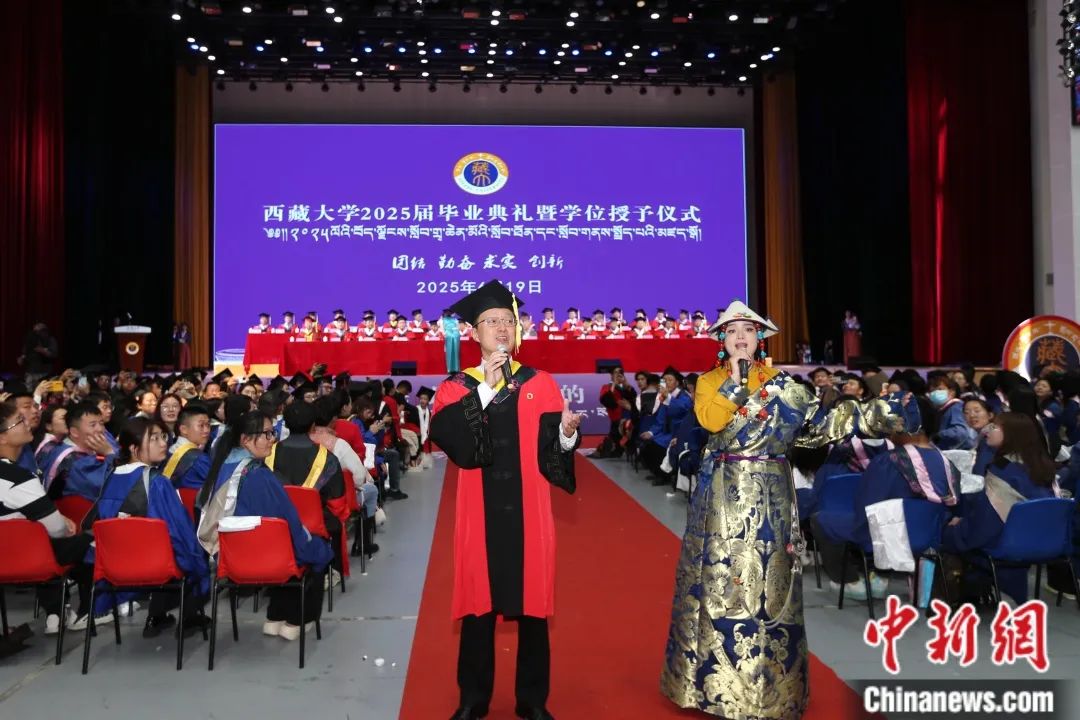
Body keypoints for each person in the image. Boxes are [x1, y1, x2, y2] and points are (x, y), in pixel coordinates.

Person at [660, 300, 910, 719]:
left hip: (773, 498)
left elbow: (817, 430)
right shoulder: (708, 382)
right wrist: (735, 383)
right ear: (721, 340)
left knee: (772, 587)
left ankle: (771, 686)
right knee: (722, 584)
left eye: (748, 331)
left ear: (760, 338)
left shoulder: (784, 386)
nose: (741, 337)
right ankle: (711, 687)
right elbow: (711, 422)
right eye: (732, 331)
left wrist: (879, 414)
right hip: (722, 498)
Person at [430, 280, 582, 720]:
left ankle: (532, 701)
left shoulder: (541, 383)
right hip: (478, 516)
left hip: (530, 514)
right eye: (491, 321)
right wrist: (486, 388)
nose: (501, 328)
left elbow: (552, 454)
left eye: (508, 321)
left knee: (533, 609)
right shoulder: (457, 387)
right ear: (474, 333)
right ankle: (472, 700)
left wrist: (566, 435)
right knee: (478, 608)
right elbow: (449, 438)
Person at [198, 410, 333, 641]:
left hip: (233, 563)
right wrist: (312, 544)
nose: (273, 439)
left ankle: (275, 617)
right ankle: (297, 620)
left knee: (274, 543)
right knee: (313, 548)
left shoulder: (222, 468)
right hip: (271, 561)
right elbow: (288, 525)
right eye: (267, 434)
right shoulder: (258, 475)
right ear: (245, 439)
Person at [85, 417, 210, 636]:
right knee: (191, 556)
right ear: (133, 448)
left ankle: (157, 615)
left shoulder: (110, 478)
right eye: (153, 439)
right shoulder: (156, 482)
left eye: (163, 437)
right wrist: (199, 558)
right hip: (156, 565)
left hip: (116, 565)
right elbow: (178, 532)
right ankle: (189, 617)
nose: (163, 443)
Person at [941, 412, 1059, 603]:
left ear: (1012, 434)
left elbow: (984, 526)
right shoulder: (1041, 468)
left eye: (995, 426)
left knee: (945, 533)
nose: (988, 429)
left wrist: (956, 527)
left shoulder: (1004, 470)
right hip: (1044, 542)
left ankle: (960, 599)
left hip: (1009, 544)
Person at [0, 399, 92, 633]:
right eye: (18, 421)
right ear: (2, 438)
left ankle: (57, 611)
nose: (27, 423)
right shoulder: (17, 477)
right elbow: (57, 529)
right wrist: (63, 523)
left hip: (6, 557)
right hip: (27, 558)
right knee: (91, 541)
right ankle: (89, 611)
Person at [40, 401, 115, 500]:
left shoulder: (64, 447)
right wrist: (110, 454)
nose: (100, 429)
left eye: (101, 423)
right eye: (93, 425)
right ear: (74, 432)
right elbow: (106, 487)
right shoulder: (71, 459)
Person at [639, 367, 693, 486]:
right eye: (665, 380)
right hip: (666, 432)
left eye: (670, 380)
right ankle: (658, 472)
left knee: (656, 447)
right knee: (646, 444)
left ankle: (664, 476)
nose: (667, 383)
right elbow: (660, 420)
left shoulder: (684, 396)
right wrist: (651, 432)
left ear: (677, 383)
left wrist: (668, 398)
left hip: (679, 433)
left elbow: (682, 408)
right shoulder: (665, 397)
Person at [161, 403, 213, 490]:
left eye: (208, 425)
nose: (206, 430)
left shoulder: (168, 451)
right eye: (201, 425)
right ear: (184, 429)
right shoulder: (199, 459)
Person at [929, 376, 976, 450]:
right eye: (932, 390)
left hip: (960, 451)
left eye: (940, 389)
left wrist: (939, 435)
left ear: (951, 392)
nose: (935, 393)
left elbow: (960, 432)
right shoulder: (944, 409)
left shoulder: (955, 407)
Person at [18, 323, 58, 387]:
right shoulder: (30, 340)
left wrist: (42, 350)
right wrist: (22, 358)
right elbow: (24, 354)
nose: (36, 333)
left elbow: (54, 355)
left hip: (44, 373)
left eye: (38, 331)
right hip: (30, 373)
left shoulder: (50, 340)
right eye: (35, 331)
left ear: (44, 331)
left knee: (44, 391)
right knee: (30, 392)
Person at [442, 309, 461, 373]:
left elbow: (458, 328)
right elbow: (442, 329)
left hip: (455, 335)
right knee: (449, 351)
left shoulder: (455, 320)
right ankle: (449, 368)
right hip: (448, 335)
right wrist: (445, 334)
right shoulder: (443, 320)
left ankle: (456, 368)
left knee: (455, 351)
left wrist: (455, 330)